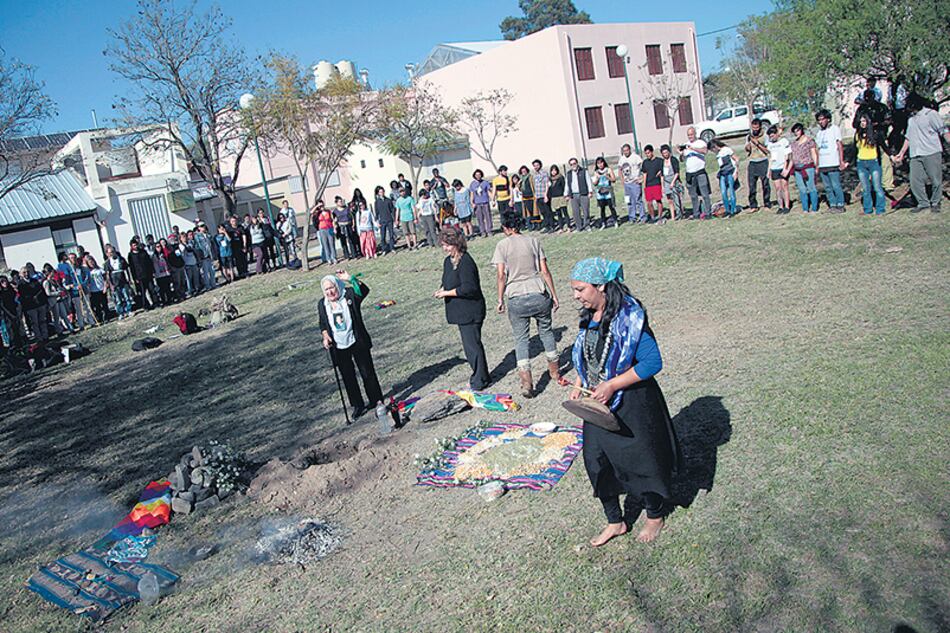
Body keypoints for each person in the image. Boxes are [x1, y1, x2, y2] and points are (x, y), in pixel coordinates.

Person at [567, 257, 679, 546]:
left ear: (601, 286)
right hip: (598, 405)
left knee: (641, 461)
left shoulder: (630, 318)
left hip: (633, 403)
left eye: (581, 289)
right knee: (596, 461)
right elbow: (590, 356)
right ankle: (615, 522)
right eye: (574, 290)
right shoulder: (588, 315)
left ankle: (654, 516)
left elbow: (653, 362)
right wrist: (580, 382)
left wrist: (613, 384)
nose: (576, 296)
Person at [492, 214, 561, 398]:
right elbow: (544, 271)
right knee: (546, 331)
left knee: (521, 339)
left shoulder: (502, 246)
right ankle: (555, 371)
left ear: (506, 228)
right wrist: (554, 295)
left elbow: (501, 275)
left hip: (516, 297)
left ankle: (526, 383)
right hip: (538, 292)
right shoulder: (534, 241)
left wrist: (500, 299)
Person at [319, 270, 384, 420]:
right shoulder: (322, 304)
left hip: (357, 340)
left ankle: (376, 400)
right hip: (338, 345)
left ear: (338, 286)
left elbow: (364, 290)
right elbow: (322, 323)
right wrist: (325, 335)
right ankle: (357, 405)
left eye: (332, 287)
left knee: (367, 372)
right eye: (327, 289)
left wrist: (350, 278)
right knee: (348, 377)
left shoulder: (348, 295)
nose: (330, 292)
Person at [434, 228, 490, 391]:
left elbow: (469, 288)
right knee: (470, 346)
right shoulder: (448, 261)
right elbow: (448, 280)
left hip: (471, 311)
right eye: (443, 245)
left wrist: (446, 293)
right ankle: (482, 374)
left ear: (456, 244)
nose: (445, 248)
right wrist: (442, 289)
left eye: (447, 245)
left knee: (472, 346)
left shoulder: (466, 261)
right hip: (460, 312)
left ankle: (479, 379)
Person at [893, 93, 950, 213]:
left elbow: (943, 130)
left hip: (931, 152)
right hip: (915, 154)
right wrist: (901, 153)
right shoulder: (911, 119)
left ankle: (935, 202)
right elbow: (908, 137)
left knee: (935, 180)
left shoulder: (931, 114)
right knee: (915, 180)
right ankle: (922, 203)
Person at [853, 112, 886, 215]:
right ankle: (868, 209)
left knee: (877, 187)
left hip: (873, 162)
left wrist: (893, 156)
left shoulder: (875, 133)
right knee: (865, 188)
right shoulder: (857, 134)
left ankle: (880, 208)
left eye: (864, 121)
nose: (862, 123)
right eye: (860, 121)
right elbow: (854, 150)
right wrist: (847, 162)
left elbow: (883, 146)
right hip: (861, 163)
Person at [814, 110, 847, 213]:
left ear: (828, 119)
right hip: (823, 164)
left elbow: (839, 145)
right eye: (819, 120)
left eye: (823, 119)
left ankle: (840, 204)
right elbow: (817, 150)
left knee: (836, 185)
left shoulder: (834, 129)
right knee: (827, 187)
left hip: (833, 162)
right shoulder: (819, 133)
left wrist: (841, 161)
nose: (821, 122)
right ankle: (832, 204)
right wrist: (817, 165)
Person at [681, 127, 712, 219]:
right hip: (690, 173)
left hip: (700, 172)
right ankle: (696, 213)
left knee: (704, 194)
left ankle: (707, 213)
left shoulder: (700, 143)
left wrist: (692, 148)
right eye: (688, 135)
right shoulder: (686, 145)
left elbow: (705, 151)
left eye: (691, 134)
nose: (690, 136)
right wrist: (682, 153)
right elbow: (682, 159)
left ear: (695, 134)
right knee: (693, 195)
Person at [790, 123, 819, 213]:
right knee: (802, 189)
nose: (796, 133)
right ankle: (805, 208)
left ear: (802, 130)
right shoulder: (794, 143)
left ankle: (814, 208)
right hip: (797, 168)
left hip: (808, 167)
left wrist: (816, 165)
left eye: (798, 130)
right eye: (794, 131)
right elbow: (792, 157)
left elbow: (814, 153)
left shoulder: (809, 141)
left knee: (811, 188)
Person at [745, 118, 771, 212]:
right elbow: (747, 149)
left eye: (757, 127)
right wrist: (748, 146)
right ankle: (753, 205)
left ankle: (767, 203)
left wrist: (758, 144)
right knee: (751, 185)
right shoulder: (749, 136)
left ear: (760, 127)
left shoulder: (765, 136)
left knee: (765, 184)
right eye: (753, 127)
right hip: (752, 161)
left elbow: (768, 151)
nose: (755, 129)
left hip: (763, 161)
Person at [766, 125, 792, 214]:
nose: (771, 138)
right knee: (778, 188)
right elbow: (770, 158)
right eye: (770, 136)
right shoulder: (770, 145)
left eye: (773, 135)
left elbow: (787, 156)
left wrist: (786, 168)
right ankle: (780, 206)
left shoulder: (783, 142)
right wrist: (769, 170)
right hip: (774, 168)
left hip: (782, 167)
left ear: (777, 134)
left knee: (784, 187)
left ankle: (787, 206)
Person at [103, 244, 134, 318]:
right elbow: (107, 275)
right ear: (107, 254)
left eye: (113, 252)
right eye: (110, 252)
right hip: (115, 283)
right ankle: (121, 313)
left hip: (123, 282)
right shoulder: (107, 263)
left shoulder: (121, 259)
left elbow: (126, 270)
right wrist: (111, 285)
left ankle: (128, 310)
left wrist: (129, 279)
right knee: (118, 300)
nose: (112, 253)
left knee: (127, 297)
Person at [18, 267, 48, 341]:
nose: (26, 274)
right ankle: (39, 338)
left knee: (42, 321)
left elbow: (41, 290)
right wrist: (31, 297)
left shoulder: (34, 281)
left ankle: (45, 336)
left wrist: (45, 302)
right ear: (21, 274)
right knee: (35, 323)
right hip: (31, 307)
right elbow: (23, 296)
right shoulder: (20, 284)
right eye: (24, 272)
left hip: (40, 304)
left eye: (27, 272)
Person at [618, 143, 644, 224]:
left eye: (627, 150)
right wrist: (622, 180)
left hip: (635, 182)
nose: (626, 152)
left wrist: (640, 177)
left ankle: (642, 216)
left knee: (638, 200)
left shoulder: (635, 157)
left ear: (630, 150)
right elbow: (619, 169)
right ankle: (632, 217)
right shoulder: (622, 159)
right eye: (624, 151)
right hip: (627, 183)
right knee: (629, 201)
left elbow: (642, 166)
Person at [565, 157, 594, 232]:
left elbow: (588, 181)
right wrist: (566, 194)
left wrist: (590, 192)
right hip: (573, 195)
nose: (573, 165)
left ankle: (587, 225)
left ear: (577, 163)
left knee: (586, 211)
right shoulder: (568, 174)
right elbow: (567, 185)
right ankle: (579, 227)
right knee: (575, 212)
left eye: (574, 163)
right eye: (571, 164)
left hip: (583, 194)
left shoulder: (584, 171)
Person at [43, 264, 73, 334]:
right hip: (54, 301)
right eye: (52, 272)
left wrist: (63, 290)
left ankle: (70, 328)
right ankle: (59, 331)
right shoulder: (46, 282)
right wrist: (58, 293)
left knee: (64, 315)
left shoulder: (54, 280)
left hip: (60, 300)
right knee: (56, 317)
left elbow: (59, 287)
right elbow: (48, 293)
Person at [128, 239, 157, 309]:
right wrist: (134, 278)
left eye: (136, 244)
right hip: (139, 277)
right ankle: (146, 306)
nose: (136, 246)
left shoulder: (143, 252)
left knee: (152, 289)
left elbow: (149, 262)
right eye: (134, 245)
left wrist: (152, 271)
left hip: (148, 274)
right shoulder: (130, 255)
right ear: (131, 246)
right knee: (143, 292)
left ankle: (156, 303)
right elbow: (132, 268)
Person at [713, 140, 739, 217]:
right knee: (723, 192)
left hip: (730, 172)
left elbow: (736, 159)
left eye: (712, 149)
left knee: (731, 191)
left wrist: (736, 172)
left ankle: (732, 210)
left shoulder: (726, 150)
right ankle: (727, 209)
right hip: (723, 173)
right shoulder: (718, 154)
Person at [641, 145, 665, 223]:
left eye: (648, 153)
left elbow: (663, 171)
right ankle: (652, 217)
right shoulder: (645, 162)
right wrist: (644, 185)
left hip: (656, 183)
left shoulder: (659, 161)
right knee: (649, 202)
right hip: (648, 184)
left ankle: (660, 217)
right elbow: (644, 174)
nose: (647, 155)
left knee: (658, 201)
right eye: (646, 153)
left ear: (652, 152)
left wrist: (662, 185)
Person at [592, 157, 618, 229]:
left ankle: (615, 221)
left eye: (601, 162)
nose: (600, 165)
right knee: (602, 208)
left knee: (611, 207)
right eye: (598, 163)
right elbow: (594, 183)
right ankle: (604, 223)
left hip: (608, 191)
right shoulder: (596, 172)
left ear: (604, 163)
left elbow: (614, 180)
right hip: (600, 192)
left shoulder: (608, 170)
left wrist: (608, 177)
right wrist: (597, 178)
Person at [660, 145, 683, 220]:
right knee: (669, 199)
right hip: (666, 182)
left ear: (669, 152)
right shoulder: (662, 162)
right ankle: (673, 216)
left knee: (677, 198)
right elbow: (662, 175)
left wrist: (673, 182)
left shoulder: (673, 160)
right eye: (664, 153)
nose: (665, 154)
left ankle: (680, 213)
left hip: (674, 180)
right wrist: (662, 186)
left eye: (666, 152)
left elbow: (677, 172)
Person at [82, 255, 107, 324]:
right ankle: (100, 318)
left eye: (92, 262)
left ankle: (107, 317)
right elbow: (87, 282)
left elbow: (105, 279)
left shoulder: (100, 269)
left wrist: (105, 287)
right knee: (97, 306)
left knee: (104, 304)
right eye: (90, 263)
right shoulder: (88, 272)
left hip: (101, 289)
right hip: (93, 291)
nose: (92, 264)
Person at [373, 185, 397, 254]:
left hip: (389, 220)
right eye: (380, 192)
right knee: (383, 236)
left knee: (391, 235)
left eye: (383, 191)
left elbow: (392, 210)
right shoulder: (377, 202)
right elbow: (376, 213)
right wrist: (377, 221)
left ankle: (392, 248)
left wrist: (395, 219)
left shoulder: (388, 200)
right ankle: (384, 249)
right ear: (378, 193)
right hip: (382, 221)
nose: (382, 193)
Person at [469, 169, 493, 238]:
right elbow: (472, 194)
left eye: (479, 174)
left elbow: (489, 192)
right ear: (474, 176)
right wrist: (472, 203)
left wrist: (493, 200)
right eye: (476, 175)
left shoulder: (485, 182)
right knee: (480, 218)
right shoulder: (472, 184)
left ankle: (489, 231)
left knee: (488, 217)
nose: (478, 176)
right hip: (477, 204)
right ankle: (483, 232)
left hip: (485, 202)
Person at [194, 223, 217, 290]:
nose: (203, 227)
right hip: (203, 256)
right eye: (201, 226)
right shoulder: (197, 236)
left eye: (203, 226)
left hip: (210, 255)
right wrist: (200, 255)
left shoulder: (208, 235)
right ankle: (207, 286)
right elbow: (198, 246)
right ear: (199, 228)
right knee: (205, 272)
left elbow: (212, 245)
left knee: (212, 271)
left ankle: (213, 284)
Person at [548, 165, 569, 232]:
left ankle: (569, 227)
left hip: (561, 197)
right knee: (558, 214)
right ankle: (561, 228)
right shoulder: (550, 179)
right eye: (552, 170)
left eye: (555, 170)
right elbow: (549, 189)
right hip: (554, 198)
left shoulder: (561, 177)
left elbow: (564, 187)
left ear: (557, 170)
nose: (553, 172)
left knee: (565, 212)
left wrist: (566, 195)